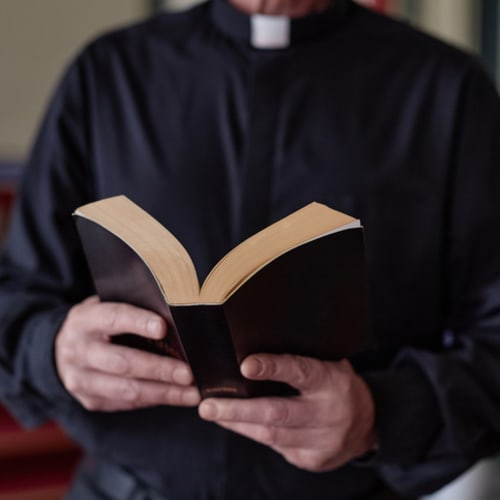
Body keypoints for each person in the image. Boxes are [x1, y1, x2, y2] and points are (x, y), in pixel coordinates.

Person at [0, 0, 499, 498]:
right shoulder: (108, 73)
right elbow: (16, 295)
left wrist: (380, 413)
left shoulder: (447, 88)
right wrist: (55, 348)